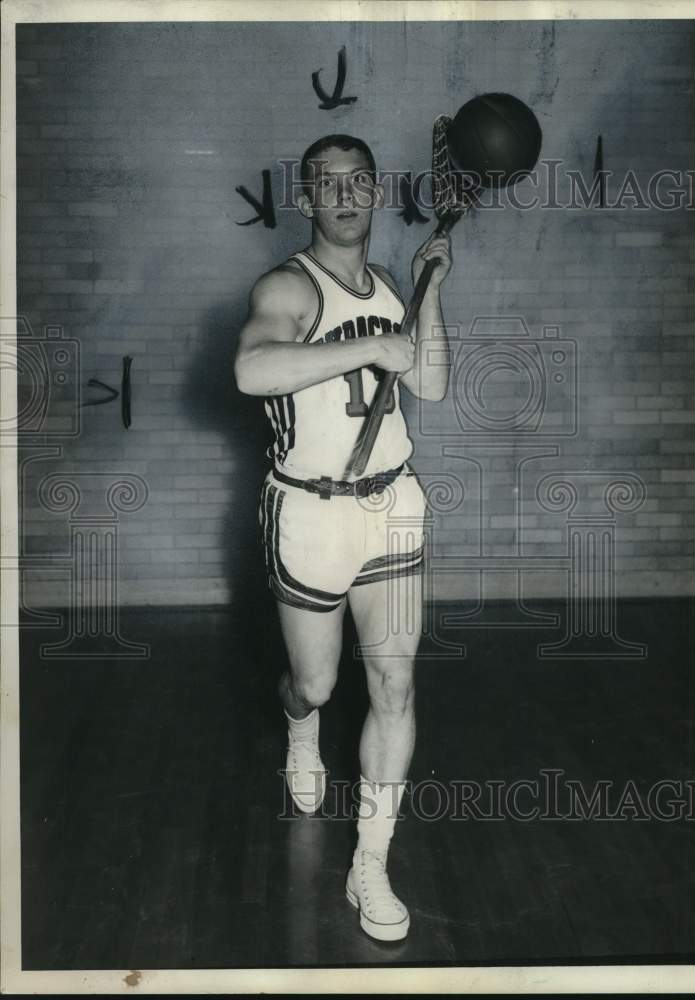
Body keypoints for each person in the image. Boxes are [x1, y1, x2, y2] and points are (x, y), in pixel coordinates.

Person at [234, 133, 452, 942]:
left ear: (375, 192)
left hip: (390, 503)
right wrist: (370, 344)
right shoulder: (287, 287)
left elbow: (429, 381)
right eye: (327, 184)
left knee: (395, 687)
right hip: (312, 511)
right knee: (318, 684)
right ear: (306, 200)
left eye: (359, 181)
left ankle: (370, 863)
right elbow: (250, 371)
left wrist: (428, 295)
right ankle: (301, 727)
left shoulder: (390, 284)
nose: (346, 196)